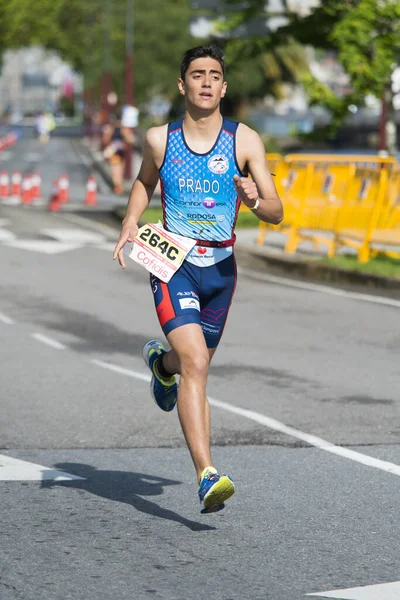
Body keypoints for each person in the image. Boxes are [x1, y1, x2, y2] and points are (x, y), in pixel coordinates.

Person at [113, 44, 283, 514]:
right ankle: (207, 473)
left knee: (191, 365)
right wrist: (132, 220)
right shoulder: (159, 139)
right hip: (172, 260)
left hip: (222, 271)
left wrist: (253, 198)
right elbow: (146, 180)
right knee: (199, 366)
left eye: (214, 75)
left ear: (224, 87)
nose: (206, 81)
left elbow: (276, 211)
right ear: (182, 84)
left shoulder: (244, 141)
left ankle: (160, 365)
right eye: (196, 74)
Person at [102, 111, 134, 195]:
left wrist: (124, 133)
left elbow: (130, 140)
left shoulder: (124, 129)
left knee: (120, 169)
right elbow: (105, 140)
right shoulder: (110, 128)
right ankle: (117, 186)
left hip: (121, 151)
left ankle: (119, 185)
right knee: (116, 168)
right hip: (114, 151)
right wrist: (110, 132)